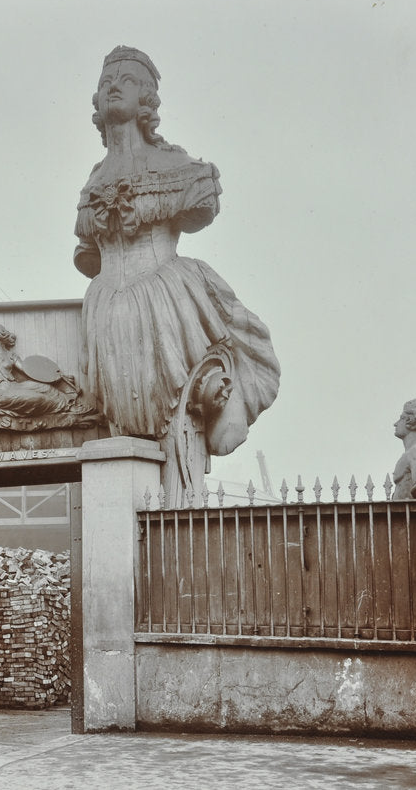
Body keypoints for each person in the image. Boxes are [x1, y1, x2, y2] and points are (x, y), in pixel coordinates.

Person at [75, 46, 280, 504]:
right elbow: (87, 255)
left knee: (179, 417)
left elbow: (199, 210)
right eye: (107, 77)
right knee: (123, 428)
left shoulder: (177, 168)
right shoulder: (93, 180)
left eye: (126, 79)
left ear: (147, 98)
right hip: (107, 308)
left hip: (164, 296)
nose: (113, 84)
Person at [0, 323, 75, 416]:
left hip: (14, 386)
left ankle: (71, 405)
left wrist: (56, 377)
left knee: (46, 388)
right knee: (38, 398)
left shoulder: (10, 355)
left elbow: (28, 371)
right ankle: (63, 408)